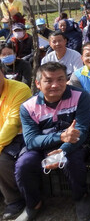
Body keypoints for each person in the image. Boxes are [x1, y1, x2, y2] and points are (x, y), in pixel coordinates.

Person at [16, 62, 90, 221]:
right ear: (38, 83)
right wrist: (61, 136)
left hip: (74, 144)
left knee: (72, 161)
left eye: (60, 79)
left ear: (67, 80)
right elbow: (30, 141)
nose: (55, 85)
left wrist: (62, 150)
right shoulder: (28, 107)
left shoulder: (80, 97)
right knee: (24, 165)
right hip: (40, 146)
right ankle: (33, 203)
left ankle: (81, 197)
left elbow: (82, 130)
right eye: (48, 80)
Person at [0, 68, 32, 220]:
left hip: (19, 136)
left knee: (2, 161)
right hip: (2, 138)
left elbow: (12, 124)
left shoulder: (19, 89)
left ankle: (15, 200)